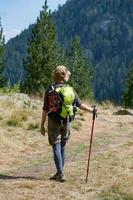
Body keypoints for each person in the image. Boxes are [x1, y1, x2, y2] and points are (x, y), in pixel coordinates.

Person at [40, 65, 95, 182]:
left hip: (53, 120)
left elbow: (45, 109)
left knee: (56, 145)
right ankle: (60, 172)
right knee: (63, 146)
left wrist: (42, 125)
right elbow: (80, 105)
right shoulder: (70, 89)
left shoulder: (49, 90)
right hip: (67, 120)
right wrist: (92, 110)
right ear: (64, 76)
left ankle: (60, 173)